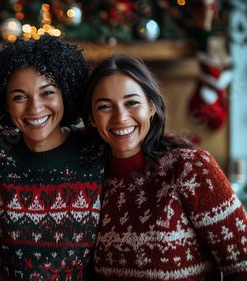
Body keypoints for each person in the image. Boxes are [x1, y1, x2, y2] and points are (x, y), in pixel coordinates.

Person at [81, 53, 247, 280]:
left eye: (132, 103)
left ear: (151, 107)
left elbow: (242, 264)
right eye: (105, 107)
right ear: (91, 118)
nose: (120, 117)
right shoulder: (89, 177)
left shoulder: (191, 168)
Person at [0, 35, 106, 280]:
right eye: (19, 97)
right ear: (5, 104)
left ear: (64, 94)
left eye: (47, 93)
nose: (34, 108)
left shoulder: (96, 149)